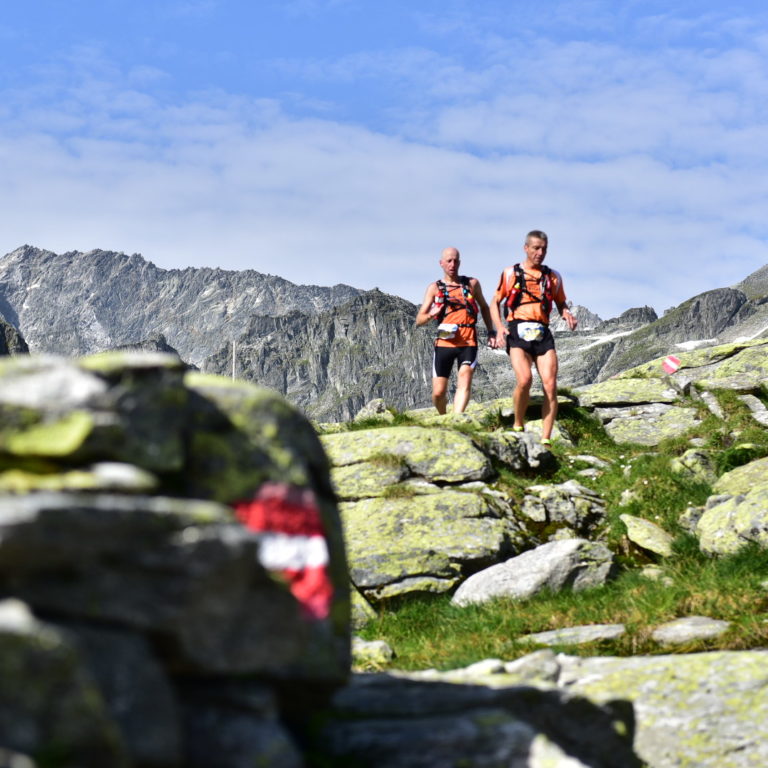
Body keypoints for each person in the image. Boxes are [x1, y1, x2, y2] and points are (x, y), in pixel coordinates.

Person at [489, 230, 577, 444]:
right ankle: (518, 423)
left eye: (544, 249)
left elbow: (560, 301)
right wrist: (499, 327)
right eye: (536, 248)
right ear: (526, 248)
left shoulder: (553, 276)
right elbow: (495, 302)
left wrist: (565, 312)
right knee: (525, 380)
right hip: (517, 330)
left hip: (542, 332)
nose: (540, 253)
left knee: (550, 384)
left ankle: (546, 439)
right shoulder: (510, 273)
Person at [416, 247, 495, 414]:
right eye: (449, 261)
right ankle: (444, 417)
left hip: (468, 341)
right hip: (445, 341)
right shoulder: (434, 288)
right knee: (438, 393)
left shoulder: (472, 284)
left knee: (465, 378)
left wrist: (491, 332)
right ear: (441, 263)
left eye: (455, 260)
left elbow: (484, 307)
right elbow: (419, 320)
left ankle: (457, 419)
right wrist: (432, 314)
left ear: (460, 262)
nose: (452, 264)